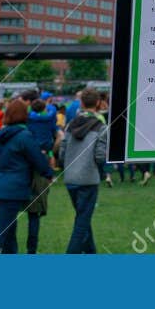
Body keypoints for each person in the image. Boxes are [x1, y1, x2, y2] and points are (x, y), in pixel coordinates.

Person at [0, 97, 53, 254]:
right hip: (14, 188)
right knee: (1, 232)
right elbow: (38, 159)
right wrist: (48, 174)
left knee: (9, 232)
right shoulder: (24, 136)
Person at [61, 89, 105, 253]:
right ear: (98, 104)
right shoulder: (101, 127)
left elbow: (62, 152)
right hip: (88, 179)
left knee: (83, 220)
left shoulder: (70, 124)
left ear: (81, 103)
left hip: (70, 178)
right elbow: (100, 156)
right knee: (82, 223)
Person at [22, 94, 58, 253]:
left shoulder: (28, 120)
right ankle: (32, 250)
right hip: (43, 157)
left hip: (27, 159)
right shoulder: (50, 119)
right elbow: (56, 134)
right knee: (35, 211)